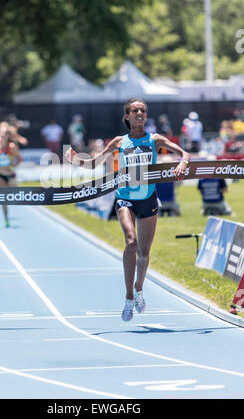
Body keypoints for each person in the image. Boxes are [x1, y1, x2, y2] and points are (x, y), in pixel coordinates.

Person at [65, 98, 190, 322]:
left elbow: (185, 154)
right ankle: (129, 298)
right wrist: (75, 159)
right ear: (127, 117)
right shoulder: (119, 142)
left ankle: (139, 288)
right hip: (125, 199)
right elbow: (94, 163)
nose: (139, 113)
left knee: (144, 252)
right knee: (131, 242)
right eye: (135, 110)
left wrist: (182, 163)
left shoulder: (155, 139)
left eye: (142, 110)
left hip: (148, 198)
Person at [0, 123, 22, 227]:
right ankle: (6, 218)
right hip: (0, 175)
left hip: (10, 174)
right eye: (2, 135)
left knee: (14, 195)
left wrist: (13, 165)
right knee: (3, 199)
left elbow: (20, 158)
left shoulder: (11, 147)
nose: (3, 137)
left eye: (5, 135)